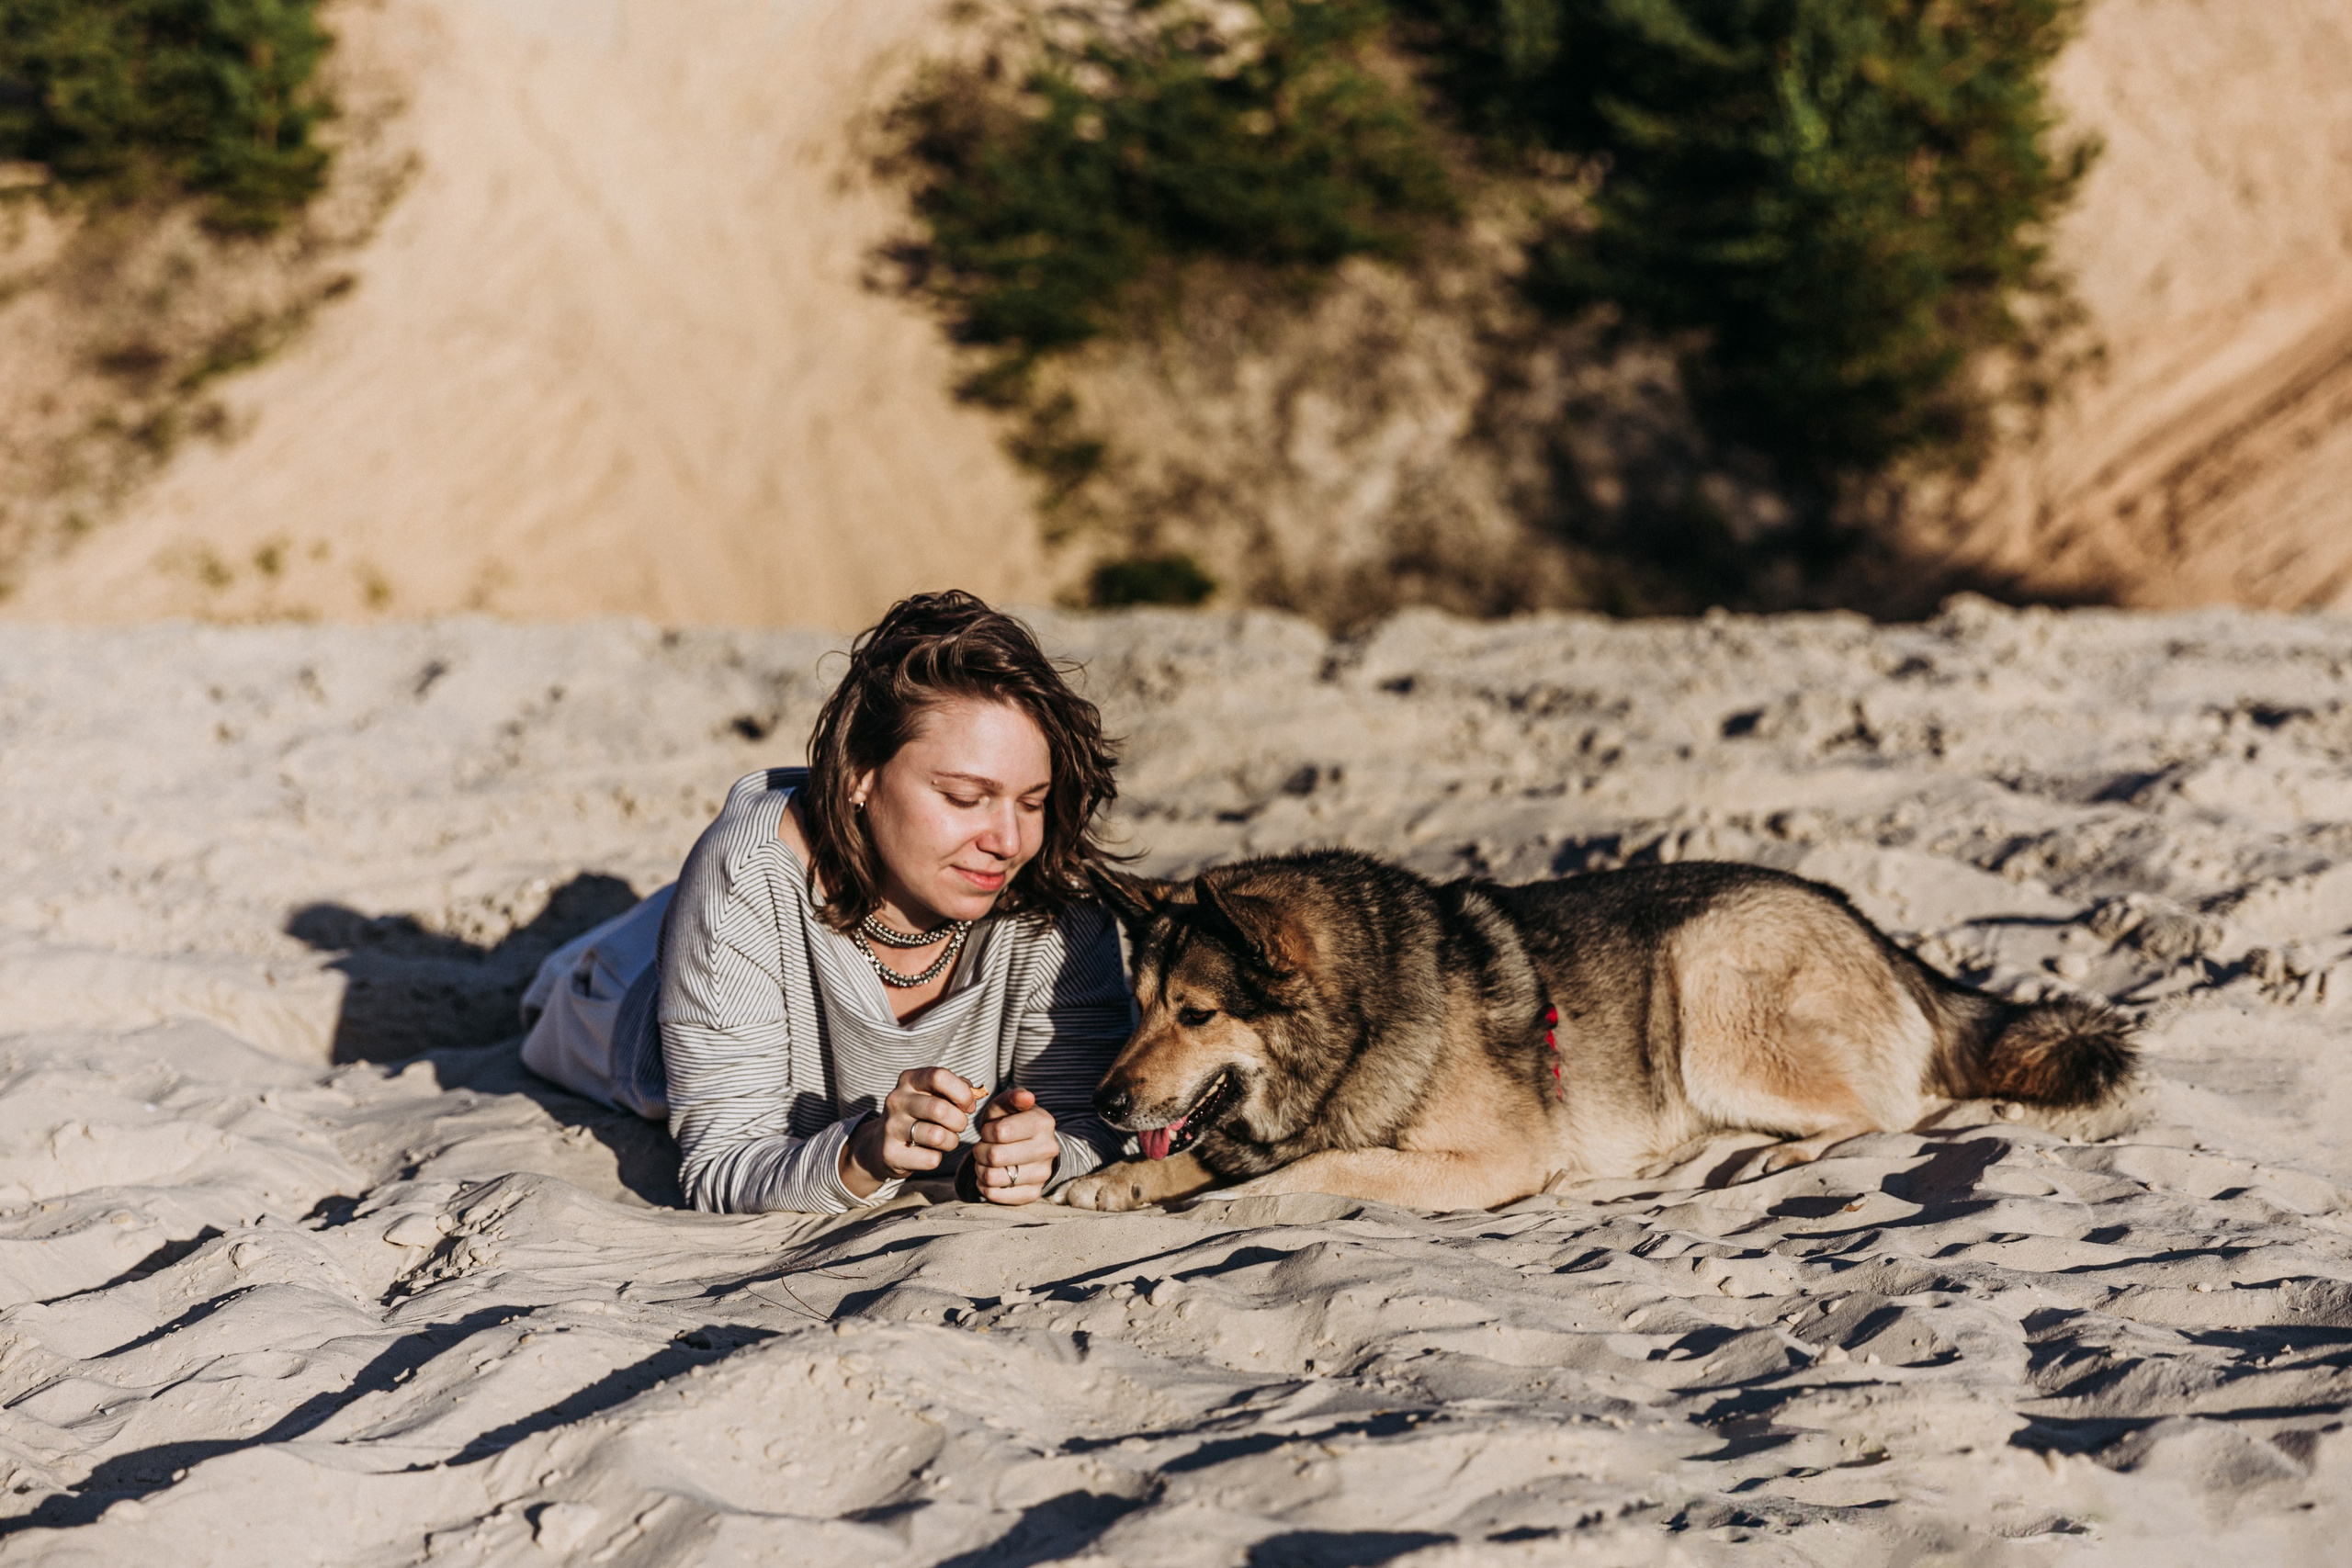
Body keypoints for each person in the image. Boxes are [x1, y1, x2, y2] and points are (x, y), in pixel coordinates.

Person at [519, 592, 1136, 1213]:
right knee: (570, 986)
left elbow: (1095, 1117)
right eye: (965, 797)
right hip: (630, 990)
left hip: (789, 890)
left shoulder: (1056, 883)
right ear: (858, 773)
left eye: (1031, 801)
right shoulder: (746, 874)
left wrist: (1046, 1153)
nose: (1008, 841)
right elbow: (720, 1164)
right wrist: (863, 1155)